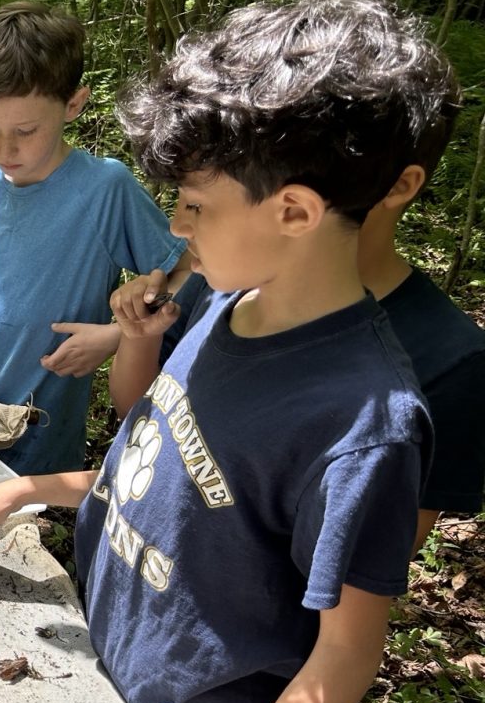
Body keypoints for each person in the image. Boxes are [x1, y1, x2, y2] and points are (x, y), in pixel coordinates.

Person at [0, 0, 442, 703]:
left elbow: (344, 662)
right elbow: (158, 471)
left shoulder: (363, 424)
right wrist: (31, 489)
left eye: (196, 204)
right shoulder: (220, 307)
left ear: (293, 209)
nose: (177, 224)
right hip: (101, 688)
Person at [110, 68, 480, 551]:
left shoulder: (452, 363)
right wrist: (140, 338)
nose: (180, 225)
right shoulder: (232, 283)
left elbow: (365, 563)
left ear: (399, 184)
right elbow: (145, 423)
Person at [0, 1, 189, 474]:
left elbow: (187, 271)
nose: (3, 149)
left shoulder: (103, 189)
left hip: (35, 435)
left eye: (24, 131)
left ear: (73, 103)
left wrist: (116, 336)